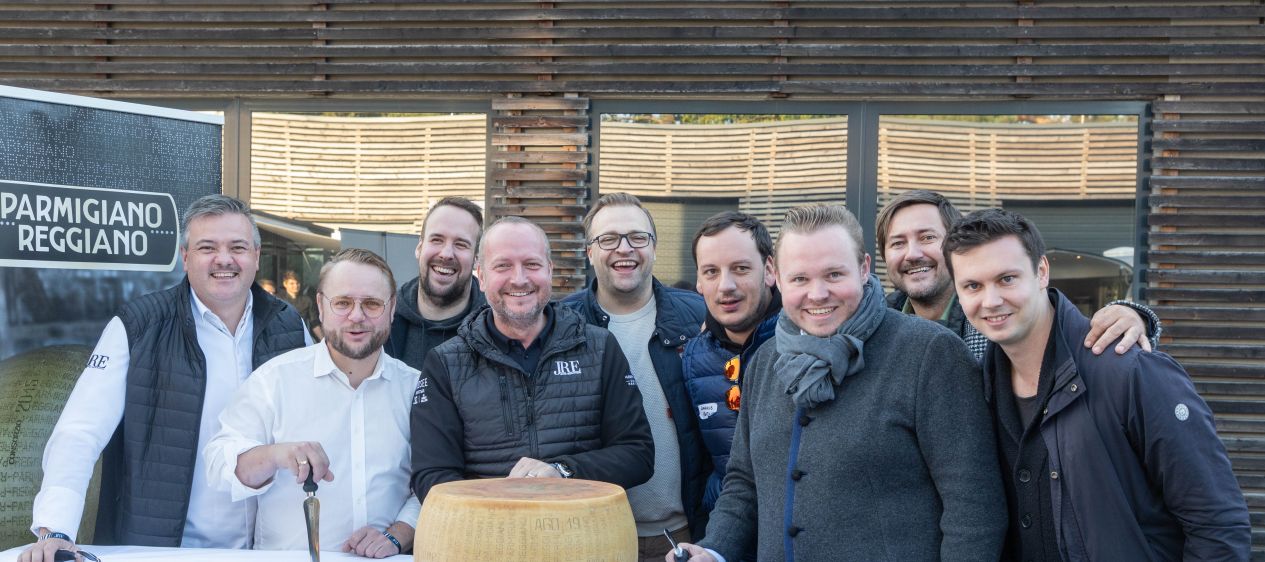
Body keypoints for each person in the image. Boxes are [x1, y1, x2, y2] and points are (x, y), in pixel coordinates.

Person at [674, 204, 1006, 562]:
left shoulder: (931, 353)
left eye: (833, 274)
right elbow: (744, 483)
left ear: (864, 268)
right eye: (800, 279)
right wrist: (713, 549)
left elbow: (974, 505)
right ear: (778, 279)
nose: (817, 294)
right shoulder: (765, 362)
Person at [944, 208, 1251, 560]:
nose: (991, 300)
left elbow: (1218, 524)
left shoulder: (1128, 371)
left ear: (1041, 271)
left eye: (1007, 279)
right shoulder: (980, 386)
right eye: (973, 286)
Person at [22, 195, 309, 562]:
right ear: (185, 257)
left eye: (237, 247)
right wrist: (56, 529)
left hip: (269, 550)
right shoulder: (139, 325)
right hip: (163, 550)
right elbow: (80, 431)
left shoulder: (290, 326)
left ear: (256, 255)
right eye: (207, 247)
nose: (224, 259)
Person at [410, 216, 653, 503]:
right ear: (481, 276)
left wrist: (563, 471)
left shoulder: (599, 348)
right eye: (503, 266)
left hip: (582, 528)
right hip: (489, 528)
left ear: (549, 270)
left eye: (532, 264)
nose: (519, 278)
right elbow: (431, 476)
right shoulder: (445, 363)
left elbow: (637, 453)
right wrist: (503, 503)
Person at [205, 248, 418, 558]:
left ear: (392, 307)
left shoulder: (415, 388)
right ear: (320, 305)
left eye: (372, 303)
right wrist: (274, 455)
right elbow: (218, 465)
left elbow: (436, 481)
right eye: (342, 303)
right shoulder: (274, 381)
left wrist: (400, 533)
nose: (356, 316)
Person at [561, 193, 711, 560]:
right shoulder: (560, 325)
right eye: (608, 239)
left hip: (685, 536)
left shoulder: (699, 317)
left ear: (654, 247)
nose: (624, 249)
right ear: (589, 252)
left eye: (637, 237)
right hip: (592, 537)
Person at [876, 189, 1160, 359]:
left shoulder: (995, 317)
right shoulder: (875, 329)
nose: (912, 254)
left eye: (927, 237)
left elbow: (1062, 331)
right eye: (897, 243)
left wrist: (1134, 316)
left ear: (954, 249)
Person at [680, 212, 779, 523]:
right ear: (698, 281)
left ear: (770, 270)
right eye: (711, 272)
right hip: (726, 534)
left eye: (740, 268)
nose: (726, 286)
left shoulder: (806, 341)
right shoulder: (694, 357)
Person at [388, 196, 486, 371]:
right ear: (419, 248)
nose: (446, 254)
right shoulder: (383, 321)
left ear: (476, 258)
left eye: (461, 244)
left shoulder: (495, 330)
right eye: (437, 240)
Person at [280, 270, 321, 340]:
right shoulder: (278, 300)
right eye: (292, 283)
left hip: (301, 337)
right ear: (285, 284)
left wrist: (323, 340)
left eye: (297, 283)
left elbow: (314, 323)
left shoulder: (307, 300)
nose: (295, 286)